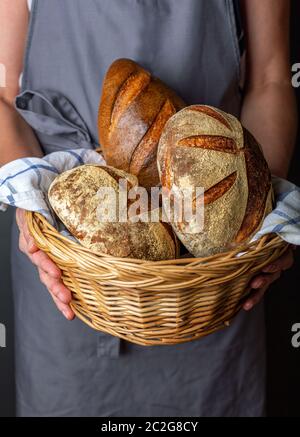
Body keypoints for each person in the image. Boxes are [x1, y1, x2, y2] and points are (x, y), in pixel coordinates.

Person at [0, 0, 297, 417]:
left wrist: (257, 209)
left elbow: (269, 80)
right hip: (69, 267)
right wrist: (32, 205)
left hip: (212, 280)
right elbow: (3, 94)